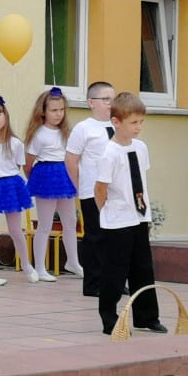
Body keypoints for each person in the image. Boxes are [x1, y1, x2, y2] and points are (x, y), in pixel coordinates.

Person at [94, 92, 165, 335]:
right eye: (133, 123)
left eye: (141, 122)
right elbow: (101, 188)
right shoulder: (109, 153)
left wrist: (144, 213)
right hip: (117, 220)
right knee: (115, 270)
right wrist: (106, 211)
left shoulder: (141, 147)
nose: (139, 127)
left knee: (143, 267)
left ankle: (147, 316)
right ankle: (109, 317)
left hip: (139, 216)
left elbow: (140, 179)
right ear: (116, 122)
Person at [65, 81, 116, 298]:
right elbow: (71, 159)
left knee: (114, 237)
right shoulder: (84, 128)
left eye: (113, 99)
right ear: (91, 103)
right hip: (91, 190)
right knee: (95, 236)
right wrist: (78, 187)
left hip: (115, 190)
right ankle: (93, 283)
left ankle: (112, 281)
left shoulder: (118, 125)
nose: (110, 104)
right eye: (106, 100)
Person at [24, 87, 81, 282]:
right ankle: (39, 267)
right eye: (54, 110)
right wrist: (36, 180)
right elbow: (28, 162)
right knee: (45, 223)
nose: (58, 114)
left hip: (64, 175)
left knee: (70, 221)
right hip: (47, 175)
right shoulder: (39, 134)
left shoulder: (67, 132)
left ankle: (73, 261)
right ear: (43, 111)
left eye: (61, 110)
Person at [0, 96, 36, 284]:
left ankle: (28, 266)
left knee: (15, 229)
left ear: (5, 116)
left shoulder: (15, 143)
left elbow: (19, 166)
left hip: (10, 185)